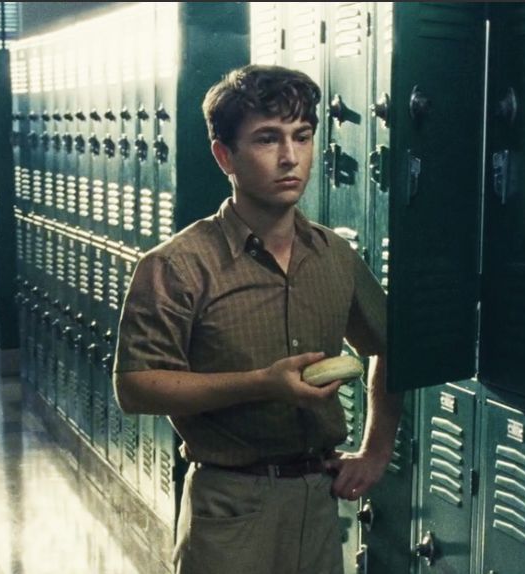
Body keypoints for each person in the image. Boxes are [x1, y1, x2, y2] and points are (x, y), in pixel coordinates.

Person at [111, 65, 401, 574]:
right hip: (229, 504)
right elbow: (137, 388)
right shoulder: (177, 266)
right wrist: (263, 384)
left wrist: (376, 450)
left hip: (317, 499)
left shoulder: (334, 255)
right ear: (225, 155)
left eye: (302, 137)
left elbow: (388, 345)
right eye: (268, 139)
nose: (290, 157)